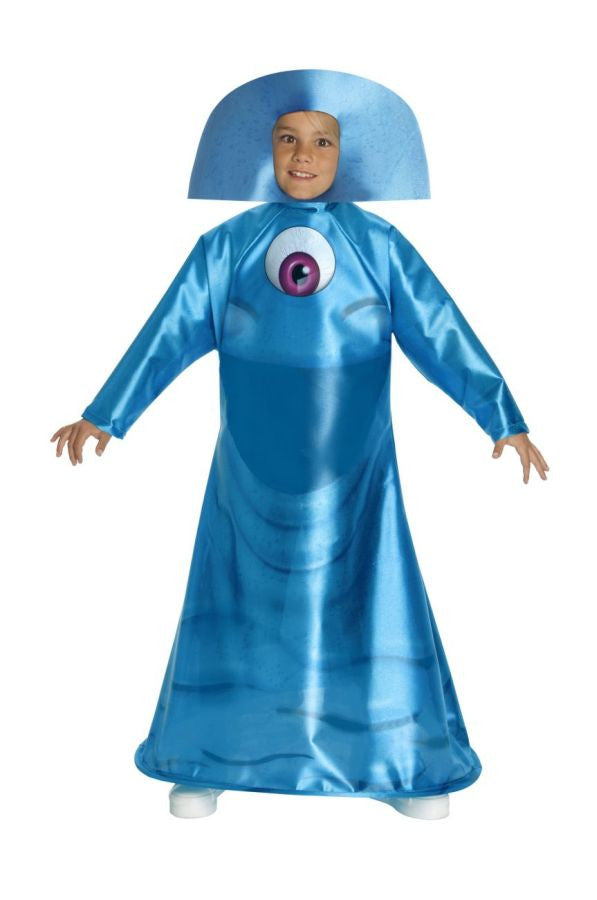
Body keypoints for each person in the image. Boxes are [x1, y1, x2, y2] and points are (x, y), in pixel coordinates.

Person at [50, 70, 548, 821]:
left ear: (347, 157)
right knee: (239, 599)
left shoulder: (379, 245)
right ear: (266, 152)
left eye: (321, 142)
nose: (304, 156)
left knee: (366, 598)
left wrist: (500, 414)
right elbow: (168, 332)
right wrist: (107, 414)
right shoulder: (226, 247)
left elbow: (440, 329)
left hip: (357, 470)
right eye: (288, 139)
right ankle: (210, 754)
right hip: (250, 469)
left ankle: (393, 761)